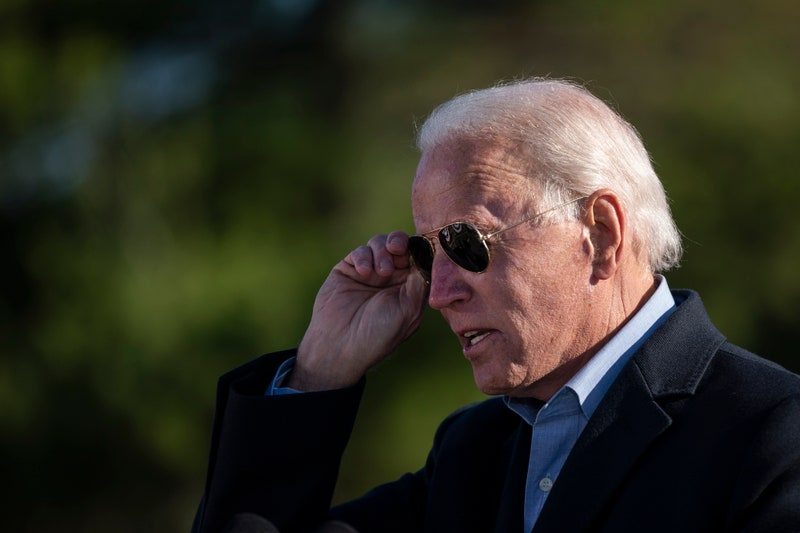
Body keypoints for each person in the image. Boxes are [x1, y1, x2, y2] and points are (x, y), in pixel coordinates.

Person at [193, 79, 800, 533]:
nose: (438, 293)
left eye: (466, 242)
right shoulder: (472, 453)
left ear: (602, 233)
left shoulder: (774, 433)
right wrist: (319, 371)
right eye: (426, 254)